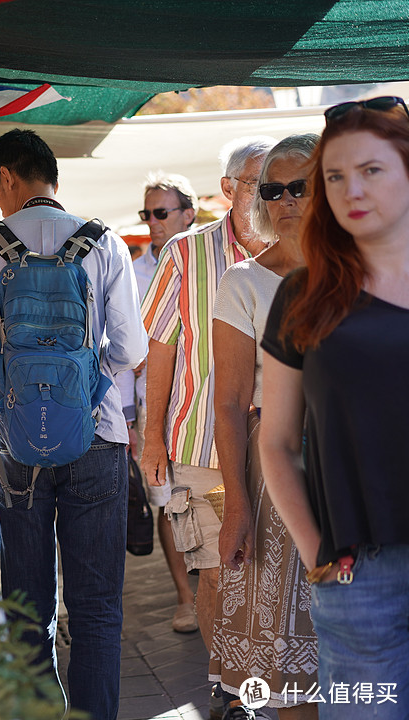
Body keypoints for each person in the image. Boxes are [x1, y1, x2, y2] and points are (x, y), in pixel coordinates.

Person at [0, 129, 146, 720]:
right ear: (51, 176)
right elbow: (131, 347)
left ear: (7, 178)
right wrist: (85, 381)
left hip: (17, 443)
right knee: (96, 611)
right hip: (97, 435)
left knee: (28, 608)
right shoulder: (103, 242)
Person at [260, 97, 409, 720]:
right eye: (335, 176)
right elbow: (276, 442)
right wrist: (315, 549)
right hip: (359, 575)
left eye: (371, 170)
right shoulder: (304, 294)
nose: (352, 190)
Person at [139, 136, 274, 664]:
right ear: (227, 189)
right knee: (220, 570)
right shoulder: (186, 252)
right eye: (261, 184)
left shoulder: (301, 251)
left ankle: (263, 675)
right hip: (199, 443)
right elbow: (160, 348)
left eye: (288, 186)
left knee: (273, 570)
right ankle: (227, 684)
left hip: (280, 441)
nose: (274, 197)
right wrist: (152, 438)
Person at [210, 134, 319, 720]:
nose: (282, 200)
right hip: (279, 477)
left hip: (362, 470)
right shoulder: (244, 282)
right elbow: (228, 403)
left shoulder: (374, 265)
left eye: (297, 186)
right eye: (271, 190)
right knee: (289, 666)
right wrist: (236, 507)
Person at [133, 172, 200, 634]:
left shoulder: (210, 262)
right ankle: (184, 598)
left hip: (204, 400)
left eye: (162, 213)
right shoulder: (132, 270)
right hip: (154, 406)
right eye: (148, 214)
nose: (153, 223)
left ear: (189, 214)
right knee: (167, 503)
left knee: (213, 498)